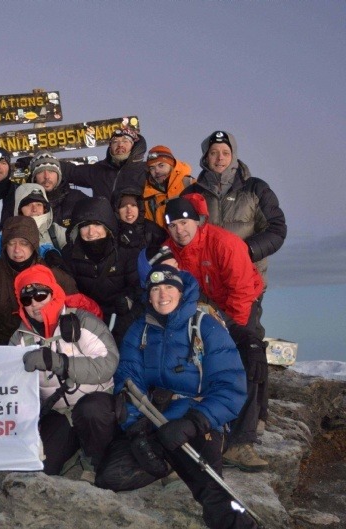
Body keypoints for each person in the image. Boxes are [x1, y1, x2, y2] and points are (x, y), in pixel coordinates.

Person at [96, 265, 255, 529]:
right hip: (154, 419)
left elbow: (231, 387)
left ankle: (240, 523)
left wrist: (194, 422)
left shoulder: (206, 327)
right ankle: (171, 465)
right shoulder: (140, 330)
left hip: (197, 420)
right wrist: (134, 428)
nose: (162, 295)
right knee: (110, 477)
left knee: (212, 490)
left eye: (170, 287)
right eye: (155, 289)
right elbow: (127, 380)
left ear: (182, 292)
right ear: (148, 295)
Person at [184, 131, 287, 435]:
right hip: (204, 285)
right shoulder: (193, 191)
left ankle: (257, 414)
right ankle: (219, 408)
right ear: (206, 156)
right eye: (213, 153)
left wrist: (245, 250)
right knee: (209, 346)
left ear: (234, 155)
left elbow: (277, 229)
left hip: (246, 281)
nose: (219, 158)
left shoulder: (255, 189)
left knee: (249, 341)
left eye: (224, 153)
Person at [162, 195, 268, 471]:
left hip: (239, 304)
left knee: (245, 356)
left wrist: (229, 334)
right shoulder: (168, 252)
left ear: (196, 221)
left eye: (184, 223)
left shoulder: (225, 244)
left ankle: (242, 441)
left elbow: (242, 293)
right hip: (202, 309)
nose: (179, 230)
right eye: (173, 226)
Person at [14, 265, 120, 475]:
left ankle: (94, 461)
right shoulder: (20, 338)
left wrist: (59, 362)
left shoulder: (82, 320)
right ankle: (71, 453)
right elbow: (13, 383)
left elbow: (108, 363)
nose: (35, 303)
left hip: (96, 403)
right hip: (57, 411)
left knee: (91, 412)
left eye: (40, 294)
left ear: (53, 293)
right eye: (27, 299)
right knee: (43, 468)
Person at [0, 216, 90, 345]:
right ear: (4, 245)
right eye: (11, 243)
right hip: (6, 345)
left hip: (53, 341)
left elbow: (76, 307)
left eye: (24, 243)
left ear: (33, 245)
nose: (17, 249)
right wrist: (6, 349)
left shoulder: (52, 273)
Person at [62, 197, 142, 345]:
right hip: (86, 319)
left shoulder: (125, 251)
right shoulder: (70, 255)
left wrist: (127, 300)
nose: (91, 232)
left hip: (119, 317)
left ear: (107, 227)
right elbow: (69, 294)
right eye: (85, 226)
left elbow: (138, 286)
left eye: (97, 225)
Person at [59, 126, 147, 202]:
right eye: (115, 141)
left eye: (125, 141)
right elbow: (70, 171)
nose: (120, 144)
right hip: (106, 221)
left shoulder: (146, 170)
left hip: (137, 220)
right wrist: (48, 162)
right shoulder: (98, 170)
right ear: (110, 146)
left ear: (133, 145)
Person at [27, 150, 88, 229]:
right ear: (34, 178)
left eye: (51, 171)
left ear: (59, 175)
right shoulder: (23, 202)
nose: (46, 176)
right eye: (41, 172)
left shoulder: (78, 199)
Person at [142, 145, 194, 227]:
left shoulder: (190, 184)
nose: (157, 171)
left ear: (172, 165)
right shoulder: (146, 195)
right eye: (152, 168)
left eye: (161, 165)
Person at [14, 183, 68, 250]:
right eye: (28, 204)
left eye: (39, 204)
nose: (34, 209)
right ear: (19, 209)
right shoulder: (10, 236)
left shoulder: (56, 232)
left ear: (44, 208)